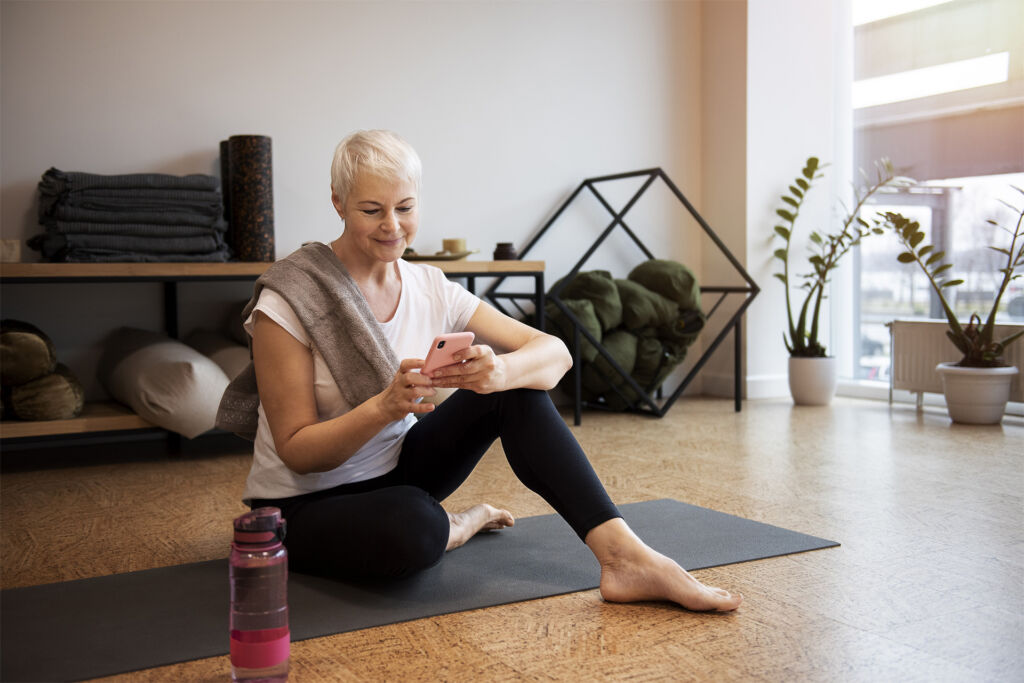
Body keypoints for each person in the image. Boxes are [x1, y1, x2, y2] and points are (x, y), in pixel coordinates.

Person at [223, 129, 742, 612]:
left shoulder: (430, 286)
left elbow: (555, 353)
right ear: (338, 203)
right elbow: (296, 450)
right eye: (371, 210)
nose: (392, 226)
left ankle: (624, 557)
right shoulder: (289, 299)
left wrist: (499, 370)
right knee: (417, 529)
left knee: (516, 390)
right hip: (302, 505)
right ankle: (456, 525)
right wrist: (384, 406)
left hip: (396, 471)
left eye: (405, 207)